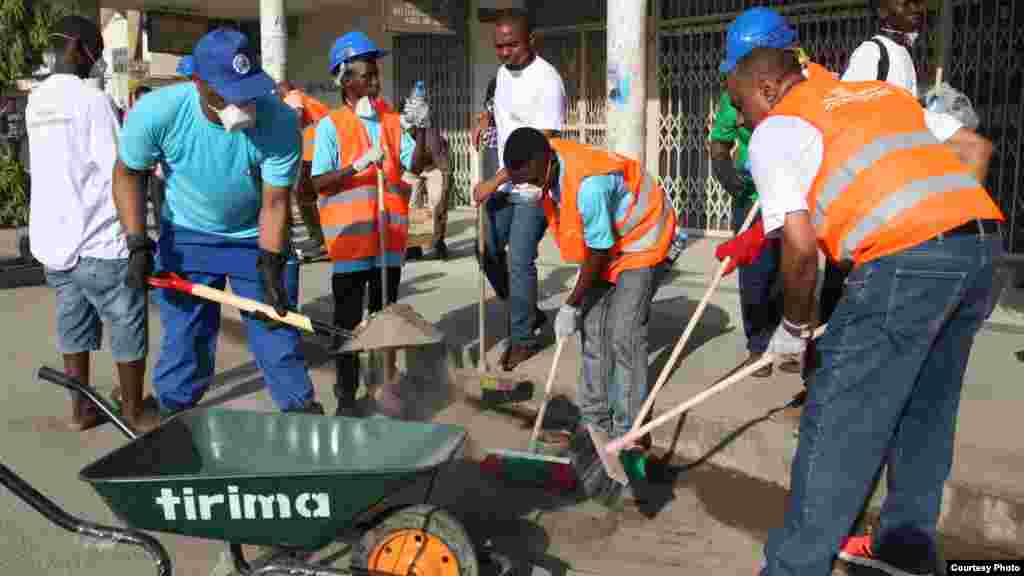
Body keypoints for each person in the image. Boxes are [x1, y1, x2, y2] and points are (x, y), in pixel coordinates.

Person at [720, 24, 1003, 575]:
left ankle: (793, 568)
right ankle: (905, 547)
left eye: (740, 104)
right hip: (980, 250)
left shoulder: (776, 129)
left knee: (838, 422)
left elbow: (801, 250)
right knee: (926, 411)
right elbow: (974, 148)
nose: (741, 120)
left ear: (768, 89)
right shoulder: (876, 93)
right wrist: (938, 236)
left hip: (907, 260)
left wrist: (793, 331)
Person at [112, 27, 324, 416]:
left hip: (254, 237)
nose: (241, 104)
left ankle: (302, 415)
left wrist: (271, 263)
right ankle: (173, 415)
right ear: (198, 82)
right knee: (186, 341)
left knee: (276, 331)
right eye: (227, 94)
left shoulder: (278, 120)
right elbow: (128, 174)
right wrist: (137, 242)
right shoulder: (158, 112)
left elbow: (275, 202)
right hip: (188, 236)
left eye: (247, 93)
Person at [498, 127, 678, 500]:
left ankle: (628, 433)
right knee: (593, 331)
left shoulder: (589, 186)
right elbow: (591, 245)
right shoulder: (546, 161)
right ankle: (595, 423)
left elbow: (597, 251)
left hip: (640, 238)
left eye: (527, 178)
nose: (526, 187)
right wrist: (580, 308)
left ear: (541, 161)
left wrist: (570, 303)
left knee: (624, 334)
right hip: (607, 243)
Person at [26, 15, 160, 432]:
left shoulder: (36, 101)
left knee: (73, 324)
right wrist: (137, 239)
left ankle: (81, 411)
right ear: (76, 46)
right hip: (100, 242)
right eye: (95, 51)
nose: (97, 60)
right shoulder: (92, 100)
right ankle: (134, 412)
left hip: (54, 244)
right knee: (127, 322)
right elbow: (120, 171)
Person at [310, 31, 430, 417]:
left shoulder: (391, 121)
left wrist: (421, 129)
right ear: (345, 79)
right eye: (367, 75)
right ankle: (346, 395)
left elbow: (416, 165)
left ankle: (383, 389)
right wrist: (356, 165)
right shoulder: (330, 126)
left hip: (388, 245)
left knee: (386, 323)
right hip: (350, 248)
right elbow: (317, 182)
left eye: (376, 74)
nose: (376, 81)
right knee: (347, 327)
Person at [814, 0, 928, 331]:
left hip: (890, 187)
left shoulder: (903, 55)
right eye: (905, 3)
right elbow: (844, 115)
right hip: (864, 189)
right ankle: (825, 349)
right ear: (883, 11)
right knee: (843, 280)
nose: (916, 9)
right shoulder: (871, 54)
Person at [710, 7, 806, 377]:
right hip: (752, 197)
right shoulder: (734, 94)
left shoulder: (806, 91)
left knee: (790, 269)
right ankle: (758, 343)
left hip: (793, 196)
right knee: (755, 274)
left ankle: (789, 337)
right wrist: (724, 171)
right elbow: (719, 142)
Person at [473, 9, 567, 371]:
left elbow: (538, 147)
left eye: (511, 45)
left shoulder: (547, 80)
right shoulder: (501, 74)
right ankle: (526, 310)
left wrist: (493, 181)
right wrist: (485, 117)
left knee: (519, 260)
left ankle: (523, 338)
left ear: (531, 40)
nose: (504, 52)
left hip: (534, 186)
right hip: (505, 184)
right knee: (486, 249)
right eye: (498, 46)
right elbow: (499, 104)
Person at [277, 80, 331, 256]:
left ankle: (320, 239)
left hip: (313, 154)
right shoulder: (307, 99)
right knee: (311, 196)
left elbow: (297, 114)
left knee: (303, 195)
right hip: (320, 152)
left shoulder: (292, 96)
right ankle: (322, 237)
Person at [407, 127, 452, 260]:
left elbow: (444, 166)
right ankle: (415, 246)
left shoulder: (432, 138)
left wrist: (444, 191)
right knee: (414, 205)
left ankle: (438, 242)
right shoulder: (402, 136)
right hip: (412, 169)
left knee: (436, 203)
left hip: (435, 167)